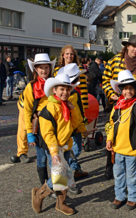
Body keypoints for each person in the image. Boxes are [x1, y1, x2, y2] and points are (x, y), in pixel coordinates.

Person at [32, 73, 87, 216]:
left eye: (67, 89)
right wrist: (54, 152)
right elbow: (48, 133)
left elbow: (75, 123)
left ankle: (60, 203)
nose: (65, 92)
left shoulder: (66, 105)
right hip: (54, 148)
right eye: (61, 89)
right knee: (59, 176)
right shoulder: (49, 108)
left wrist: (73, 109)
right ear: (54, 90)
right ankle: (39, 194)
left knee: (65, 175)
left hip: (65, 145)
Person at [102, 34, 136, 179]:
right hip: (116, 104)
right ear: (127, 46)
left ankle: (133, 165)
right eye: (133, 46)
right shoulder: (114, 61)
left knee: (134, 134)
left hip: (135, 104)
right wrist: (111, 94)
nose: (135, 50)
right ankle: (109, 166)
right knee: (112, 133)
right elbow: (105, 80)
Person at [106, 70, 136, 210]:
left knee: (132, 175)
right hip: (117, 148)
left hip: (132, 148)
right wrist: (109, 139)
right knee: (118, 174)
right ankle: (119, 196)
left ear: (134, 89)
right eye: (125, 88)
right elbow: (111, 125)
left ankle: (133, 197)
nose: (128, 91)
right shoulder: (117, 107)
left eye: (131, 88)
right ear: (120, 90)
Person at [54, 45, 89, 179]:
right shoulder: (57, 71)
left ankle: (72, 170)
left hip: (77, 110)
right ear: (62, 55)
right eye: (67, 54)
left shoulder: (80, 71)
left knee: (75, 147)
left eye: (71, 54)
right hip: (64, 113)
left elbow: (84, 93)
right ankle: (69, 174)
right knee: (70, 148)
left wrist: (84, 114)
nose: (69, 56)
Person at [21, 54, 56, 184]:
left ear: (50, 68)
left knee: (54, 157)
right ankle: (44, 186)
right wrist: (29, 133)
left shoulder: (55, 84)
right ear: (35, 69)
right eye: (40, 68)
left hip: (54, 126)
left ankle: (54, 188)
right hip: (39, 128)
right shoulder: (30, 87)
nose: (44, 70)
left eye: (46, 67)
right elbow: (27, 111)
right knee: (41, 159)